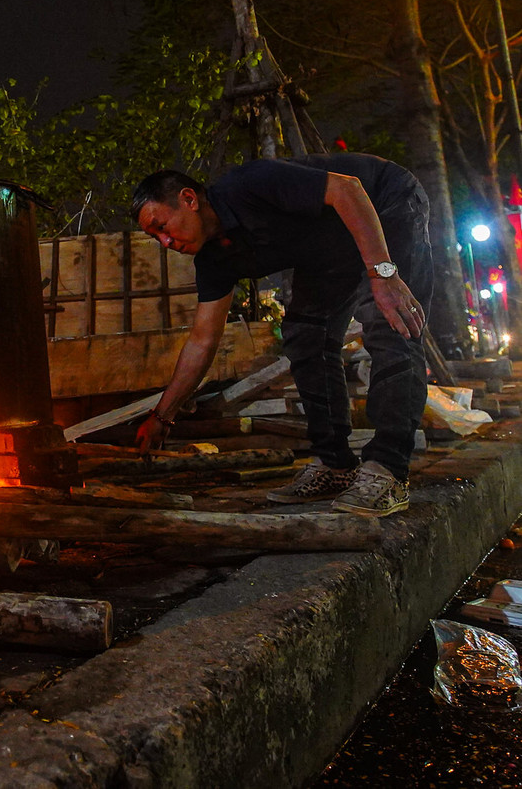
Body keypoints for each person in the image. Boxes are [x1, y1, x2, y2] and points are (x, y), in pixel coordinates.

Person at [129, 153, 432, 517]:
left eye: (162, 226)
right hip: (326, 246)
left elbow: (347, 189)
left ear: (189, 200)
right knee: (305, 336)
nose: (164, 242)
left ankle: (388, 469)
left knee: (390, 321)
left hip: (382, 203)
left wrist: (383, 275)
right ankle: (335, 465)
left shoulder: (251, 183)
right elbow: (202, 340)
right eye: (154, 236)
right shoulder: (214, 259)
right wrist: (163, 416)